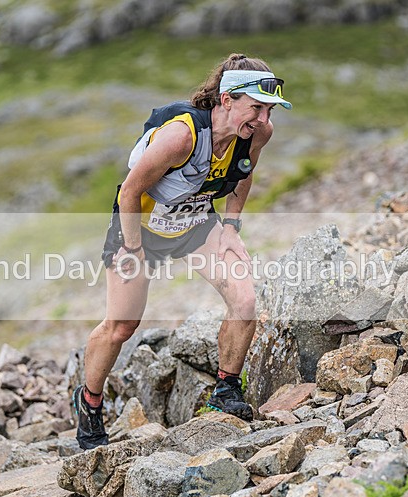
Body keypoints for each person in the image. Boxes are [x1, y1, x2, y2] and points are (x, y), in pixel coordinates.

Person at [73, 53, 291, 449]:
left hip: (194, 223)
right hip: (140, 227)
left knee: (244, 301)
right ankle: (89, 403)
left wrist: (231, 227)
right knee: (121, 326)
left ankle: (225, 390)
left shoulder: (258, 133)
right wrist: (133, 248)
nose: (263, 119)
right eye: (256, 108)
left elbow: (244, 171)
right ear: (227, 100)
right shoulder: (182, 136)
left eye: (269, 110)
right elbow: (129, 192)